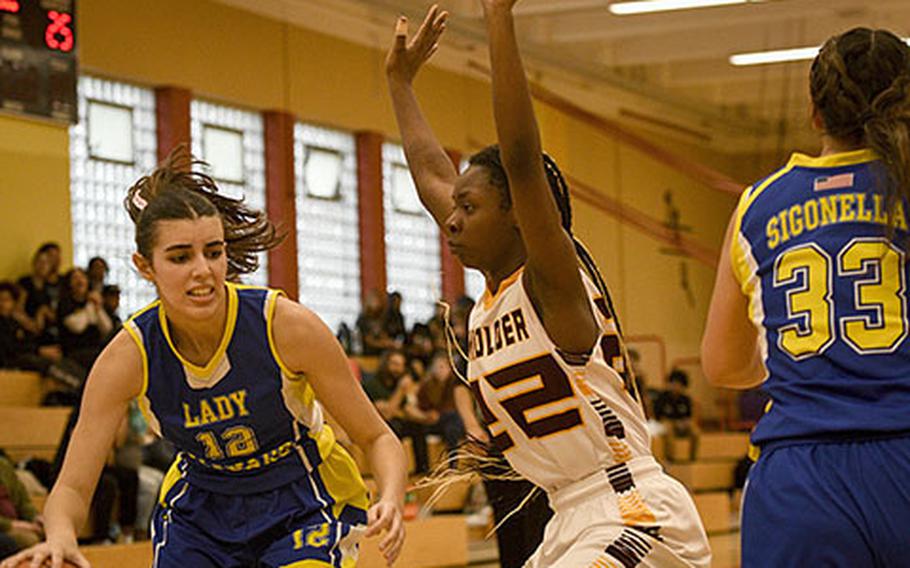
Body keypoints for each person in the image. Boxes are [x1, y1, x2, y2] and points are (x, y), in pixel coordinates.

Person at [386, 4, 709, 567]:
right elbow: (432, 173)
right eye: (452, 208)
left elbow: (520, 158)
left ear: (518, 214)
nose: (452, 219)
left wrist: (497, 19)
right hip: (566, 518)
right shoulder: (489, 302)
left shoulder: (552, 284)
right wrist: (398, 82)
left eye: (469, 206)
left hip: (630, 506)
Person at [1, 148, 407, 568]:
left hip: (304, 496)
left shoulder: (285, 326)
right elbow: (71, 487)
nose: (203, 270)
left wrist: (392, 498)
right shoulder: (129, 355)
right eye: (180, 257)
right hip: (201, 509)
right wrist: (61, 537)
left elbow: (377, 437)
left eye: (213, 252)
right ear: (145, 266)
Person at [702, 28, 910, 568]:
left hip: (799, 479)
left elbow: (722, 365)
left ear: (815, 113)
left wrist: (807, 366)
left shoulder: (758, 206)